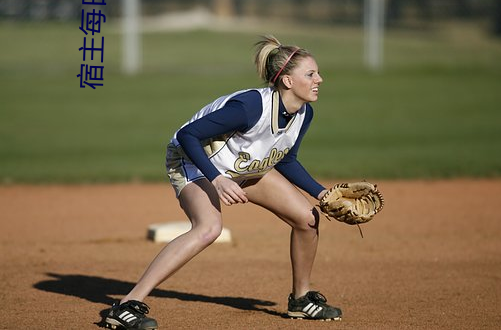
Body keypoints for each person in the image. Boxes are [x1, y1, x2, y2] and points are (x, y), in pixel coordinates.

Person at [105, 35, 342, 330]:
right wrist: (216, 179)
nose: (320, 78)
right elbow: (187, 136)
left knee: (307, 218)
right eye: (310, 74)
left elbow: (286, 159)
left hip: (241, 167)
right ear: (288, 82)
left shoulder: (303, 113)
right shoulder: (249, 107)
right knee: (209, 228)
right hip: (193, 162)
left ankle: (302, 299)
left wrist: (323, 194)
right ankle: (126, 305)